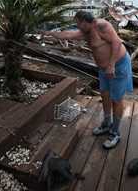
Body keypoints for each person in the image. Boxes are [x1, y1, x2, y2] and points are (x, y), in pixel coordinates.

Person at [44, 11, 133, 149]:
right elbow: (68, 34)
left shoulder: (101, 26)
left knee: (117, 99)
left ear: (86, 21)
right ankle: (106, 123)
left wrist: (111, 65)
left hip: (118, 65)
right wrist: (50, 34)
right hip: (103, 69)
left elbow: (116, 42)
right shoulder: (84, 32)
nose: (77, 26)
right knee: (105, 95)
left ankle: (115, 133)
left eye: (78, 23)